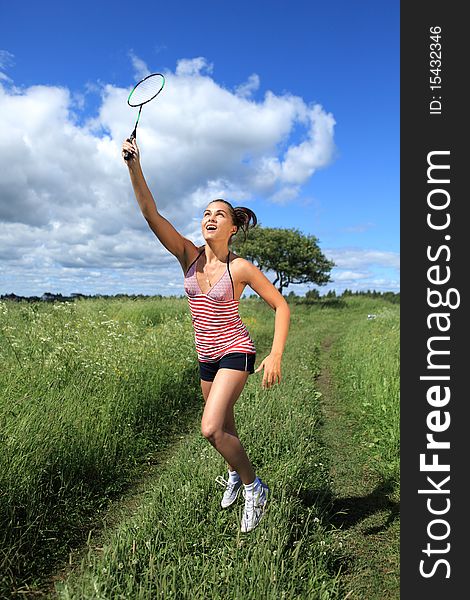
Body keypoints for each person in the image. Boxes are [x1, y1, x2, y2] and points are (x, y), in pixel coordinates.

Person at [122, 138, 290, 532]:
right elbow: (151, 214)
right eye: (205, 213)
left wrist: (275, 353)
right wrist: (134, 166)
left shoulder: (241, 268)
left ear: (232, 227)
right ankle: (234, 473)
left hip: (236, 350)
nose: (210, 218)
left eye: (219, 215)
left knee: (210, 428)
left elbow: (281, 306)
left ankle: (254, 487)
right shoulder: (188, 255)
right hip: (206, 357)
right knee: (226, 429)